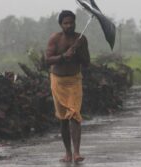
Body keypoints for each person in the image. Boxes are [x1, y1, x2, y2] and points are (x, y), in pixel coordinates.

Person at [45, 10, 90, 163]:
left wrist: (78, 51)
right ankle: (67, 153)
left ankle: (77, 153)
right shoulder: (55, 39)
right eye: (66, 23)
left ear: (75, 23)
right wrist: (64, 56)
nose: (69, 25)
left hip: (74, 81)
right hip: (57, 81)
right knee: (63, 119)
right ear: (61, 25)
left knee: (75, 115)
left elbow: (87, 63)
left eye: (71, 22)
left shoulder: (81, 39)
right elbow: (48, 60)